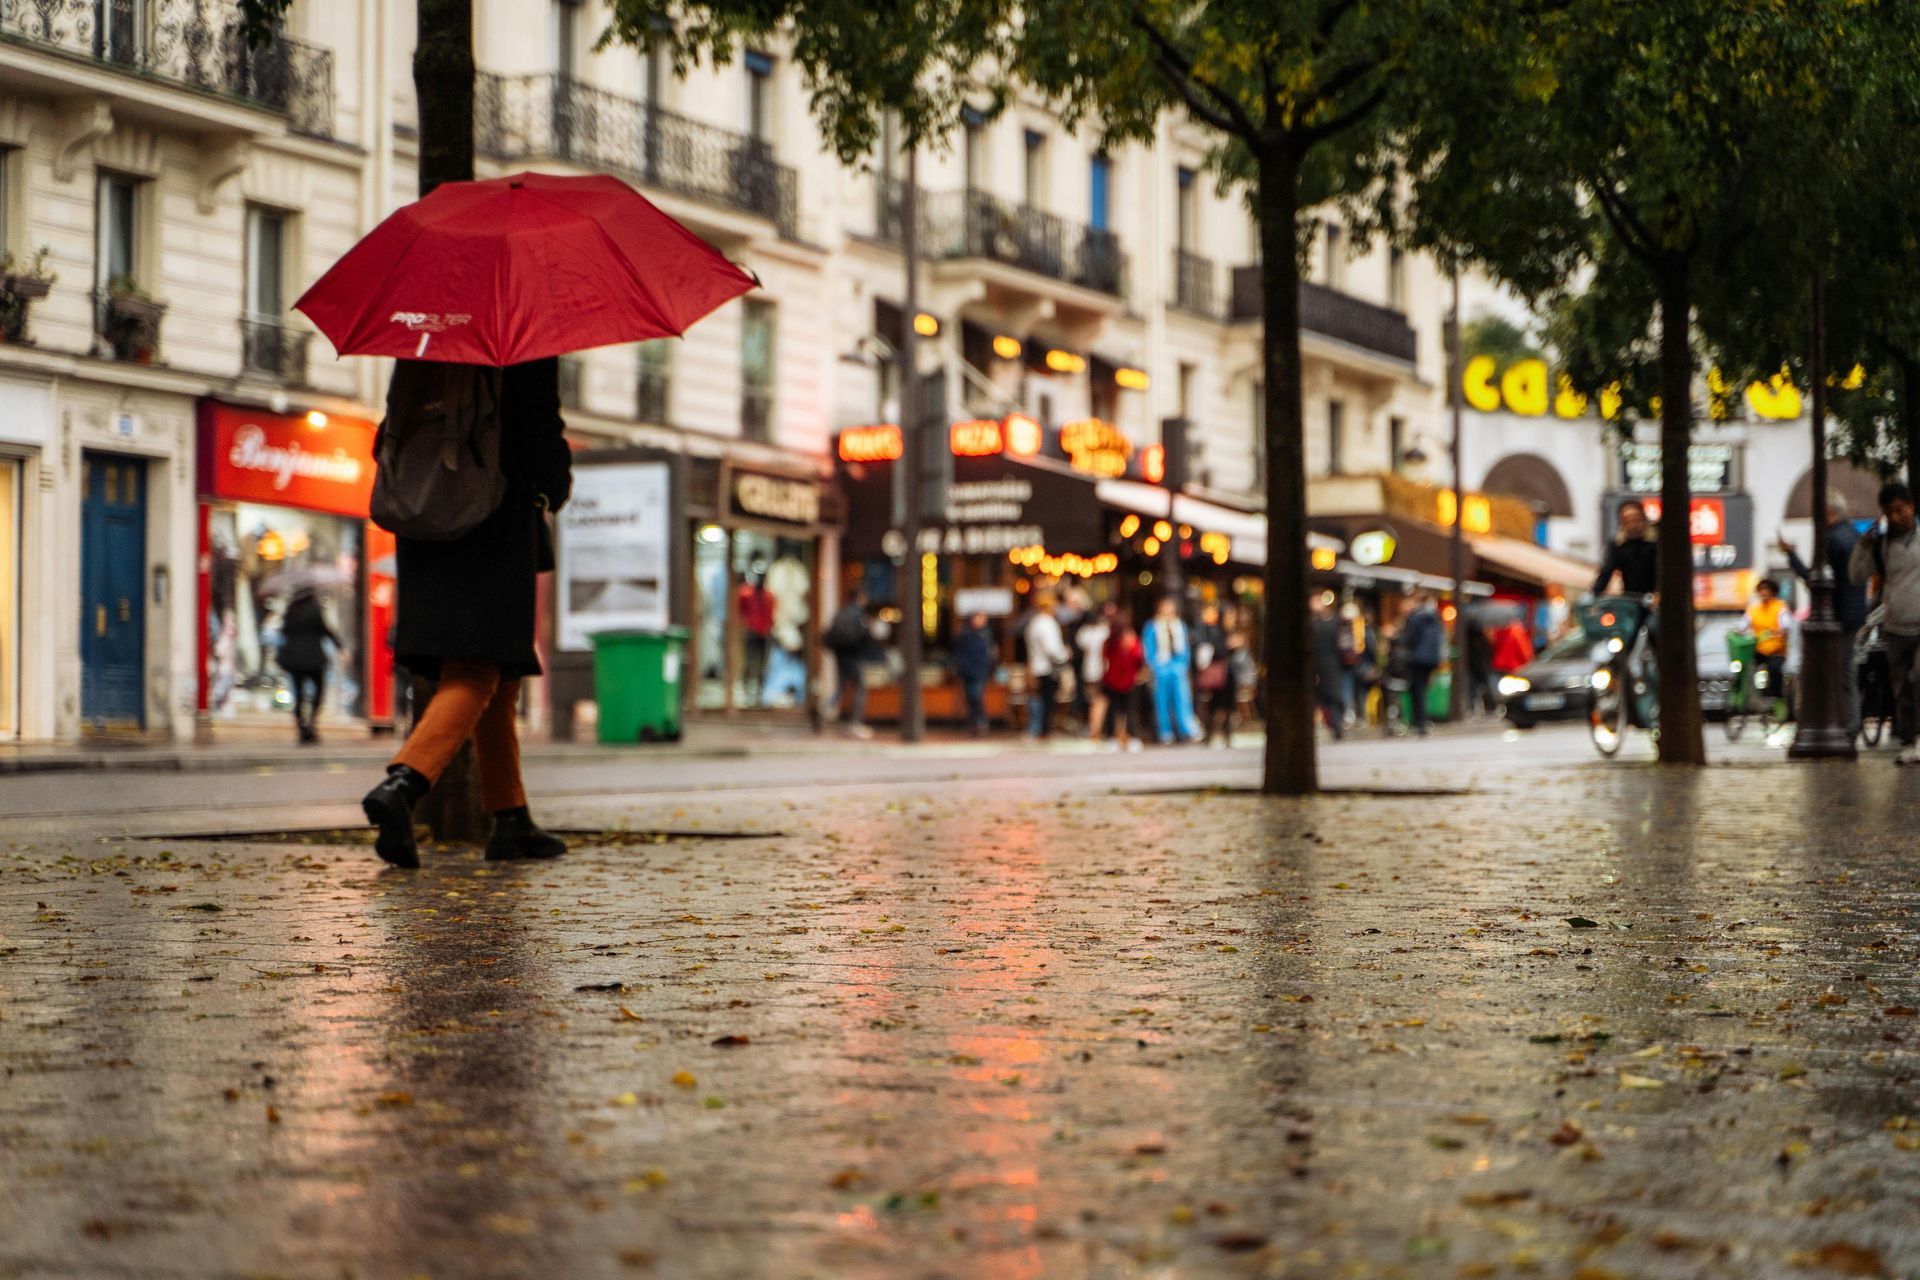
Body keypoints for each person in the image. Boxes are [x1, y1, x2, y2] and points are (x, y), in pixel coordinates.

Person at [360, 358, 573, 869]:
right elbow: (539, 430)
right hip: (491, 519)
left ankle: (510, 816)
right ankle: (403, 784)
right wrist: (554, 484)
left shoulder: (422, 339)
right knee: (478, 668)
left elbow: (389, 432)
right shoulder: (520, 340)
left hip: (422, 518)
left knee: (495, 672)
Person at [1783, 492, 1866, 736]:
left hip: (1836, 616)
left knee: (1837, 674)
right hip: (1854, 614)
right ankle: (1849, 723)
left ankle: (1846, 726)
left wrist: (1791, 555)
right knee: (1846, 672)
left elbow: (1815, 580)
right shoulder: (1853, 535)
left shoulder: (1831, 540)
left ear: (1828, 513)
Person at [1852, 481, 1920, 762]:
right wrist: (1863, 547)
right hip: (1895, 626)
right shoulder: (1880, 545)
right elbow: (1856, 576)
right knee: (1903, 687)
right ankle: (1910, 741)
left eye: (1900, 510)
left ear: (1911, 507)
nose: (1895, 517)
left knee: (1918, 677)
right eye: (1889, 512)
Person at [277, 586, 339, 745]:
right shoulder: (315, 610)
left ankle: (301, 725)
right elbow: (325, 630)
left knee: (298, 693)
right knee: (319, 690)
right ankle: (311, 721)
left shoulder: (290, 611)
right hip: (314, 658)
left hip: (294, 659)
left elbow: (284, 632)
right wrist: (339, 645)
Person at [1143, 596, 1201, 743]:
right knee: (1161, 702)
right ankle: (1165, 731)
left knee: (1182, 699)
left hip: (1178, 667)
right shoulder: (1152, 626)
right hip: (1160, 668)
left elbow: (1185, 649)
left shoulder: (1180, 626)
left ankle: (1186, 729)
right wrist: (1155, 665)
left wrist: (1183, 665)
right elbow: (1148, 649)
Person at [824, 588, 877, 739]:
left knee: (840, 688)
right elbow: (865, 637)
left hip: (840, 656)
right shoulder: (859, 615)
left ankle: (823, 709)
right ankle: (855, 723)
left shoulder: (841, 612)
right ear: (859, 598)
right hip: (854, 657)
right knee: (860, 689)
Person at [1023, 592, 1071, 739]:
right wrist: (1066, 654)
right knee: (1047, 701)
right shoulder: (1047, 623)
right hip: (1047, 667)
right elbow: (1052, 648)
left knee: (1038, 699)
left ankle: (1036, 728)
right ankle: (1042, 730)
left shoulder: (1034, 622)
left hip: (1036, 665)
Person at [1743, 576, 1792, 710]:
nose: (1764, 593)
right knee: (1745, 667)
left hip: (1776, 650)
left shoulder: (1780, 607)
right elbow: (1743, 624)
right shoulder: (1753, 609)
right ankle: (1748, 698)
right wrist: (1737, 632)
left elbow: (1786, 625)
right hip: (1759, 649)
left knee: (1775, 671)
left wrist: (1780, 632)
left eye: (1767, 590)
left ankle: (1777, 698)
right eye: (1761, 590)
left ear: (1773, 592)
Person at [1401, 590, 1445, 737]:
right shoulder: (1434, 616)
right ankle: (1423, 721)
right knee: (1423, 689)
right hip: (1431, 658)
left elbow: (1409, 638)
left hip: (1417, 658)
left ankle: (1419, 722)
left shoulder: (1415, 617)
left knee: (1417, 689)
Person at [1593, 498, 1659, 596]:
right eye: (1627, 521)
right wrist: (1595, 593)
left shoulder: (1656, 544)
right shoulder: (1618, 546)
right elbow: (1606, 572)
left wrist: (1659, 593)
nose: (1633, 525)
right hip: (1631, 600)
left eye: (1636, 520)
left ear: (1644, 519)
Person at [1101, 609, 1146, 753]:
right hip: (1123, 680)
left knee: (1120, 710)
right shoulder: (1119, 640)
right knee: (1124, 711)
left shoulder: (1115, 640)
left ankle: (1120, 738)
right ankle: (1121, 738)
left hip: (1120, 679)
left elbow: (1138, 658)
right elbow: (1138, 658)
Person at [952, 612, 996, 736]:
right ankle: (976, 723)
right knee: (972, 698)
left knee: (976, 696)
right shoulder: (965, 634)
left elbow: (989, 653)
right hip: (969, 671)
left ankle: (978, 722)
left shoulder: (986, 634)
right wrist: (962, 667)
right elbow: (958, 653)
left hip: (980, 671)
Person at [1310, 595, 1347, 739]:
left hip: (1325, 665)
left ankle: (1335, 726)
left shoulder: (1317, 625)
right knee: (1331, 698)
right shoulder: (1334, 623)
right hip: (1331, 665)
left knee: (1327, 698)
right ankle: (1336, 726)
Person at [1077, 601, 1114, 741]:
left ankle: (1094, 727)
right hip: (1102, 670)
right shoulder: (1104, 631)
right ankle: (1096, 729)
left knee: (1092, 700)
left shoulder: (1084, 632)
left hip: (1089, 670)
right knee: (1100, 700)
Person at [1491, 615, 1535, 684]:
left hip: (1500, 665)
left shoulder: (1499, 630)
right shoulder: (1517, 630)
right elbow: (1524, 651)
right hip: (1514, 667)